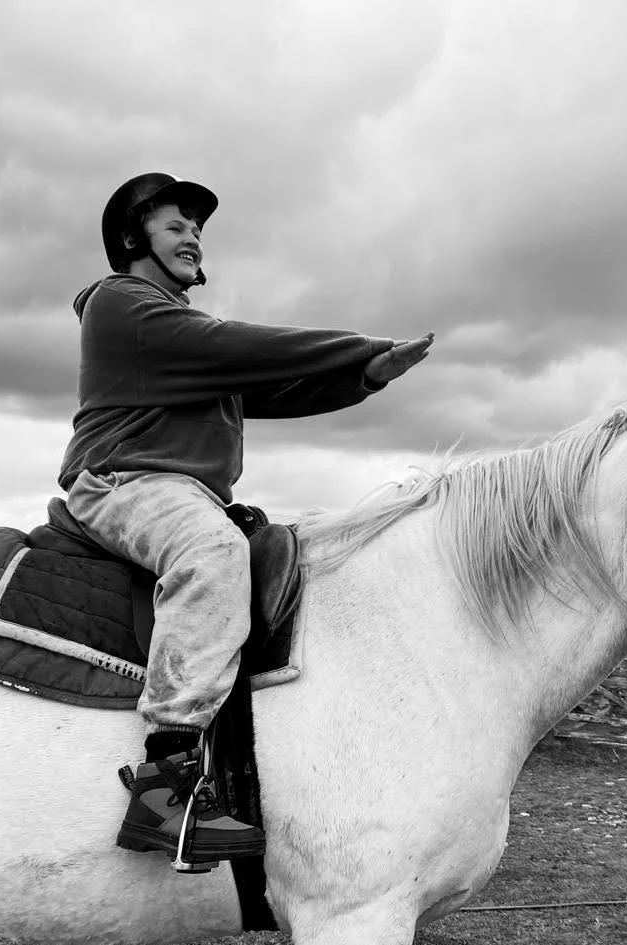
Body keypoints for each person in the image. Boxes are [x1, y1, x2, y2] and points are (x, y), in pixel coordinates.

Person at [58, 172, 433, 864]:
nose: (193, 236)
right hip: (123, 481)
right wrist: (358, 344)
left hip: (181, 489)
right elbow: (243, 347)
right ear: (133, 239)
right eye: (176, 226)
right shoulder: (123, 305)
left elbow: (276, 387)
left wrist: (367, 375)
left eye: (197, 229)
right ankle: (161, 791)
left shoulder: (180, 343)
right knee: (212, 554)